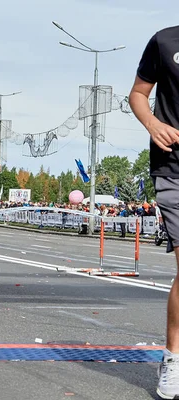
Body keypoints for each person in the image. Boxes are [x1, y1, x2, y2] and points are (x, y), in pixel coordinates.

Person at [129, 25, 179, 399]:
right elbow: (139, 94)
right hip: (173, 167)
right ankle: (173, 360)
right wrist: (152, 123)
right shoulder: (165, 41)